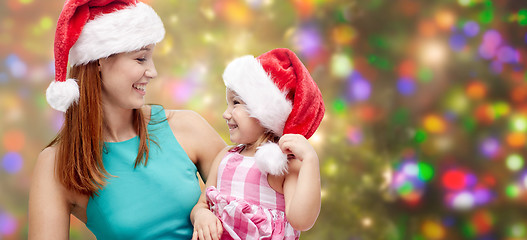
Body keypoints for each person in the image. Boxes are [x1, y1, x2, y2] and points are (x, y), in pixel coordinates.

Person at [28, 0, 226, 239]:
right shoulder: (58, 164)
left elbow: (254, 194)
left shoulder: (187, 127)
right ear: (100, 59)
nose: (152, 71)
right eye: (141, 59)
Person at [191, 48, 325, 240]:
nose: (226, 113)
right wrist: (201, 215)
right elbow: (202, 205)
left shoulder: (284, 166)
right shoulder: (225, 157)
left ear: (264, 113)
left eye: (235, 103)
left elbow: (301, 221)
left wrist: (310, 162)